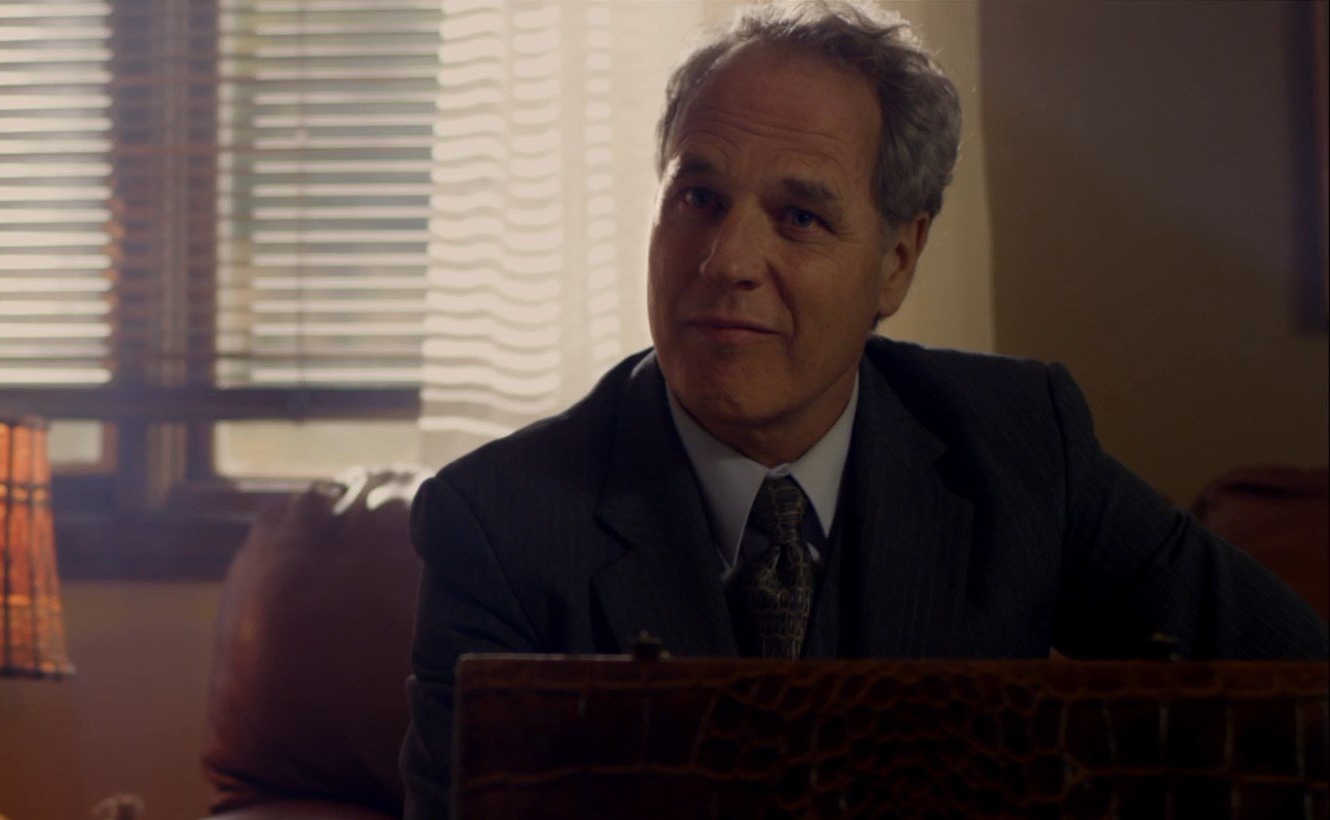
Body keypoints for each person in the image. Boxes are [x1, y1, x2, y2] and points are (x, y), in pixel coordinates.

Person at [400, 1, 1330, 817]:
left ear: (897, 262)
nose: (726, 260)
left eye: (800, 217)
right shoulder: (498, 523)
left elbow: (1301, 695)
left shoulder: (1022, 447)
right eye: (699, 196)